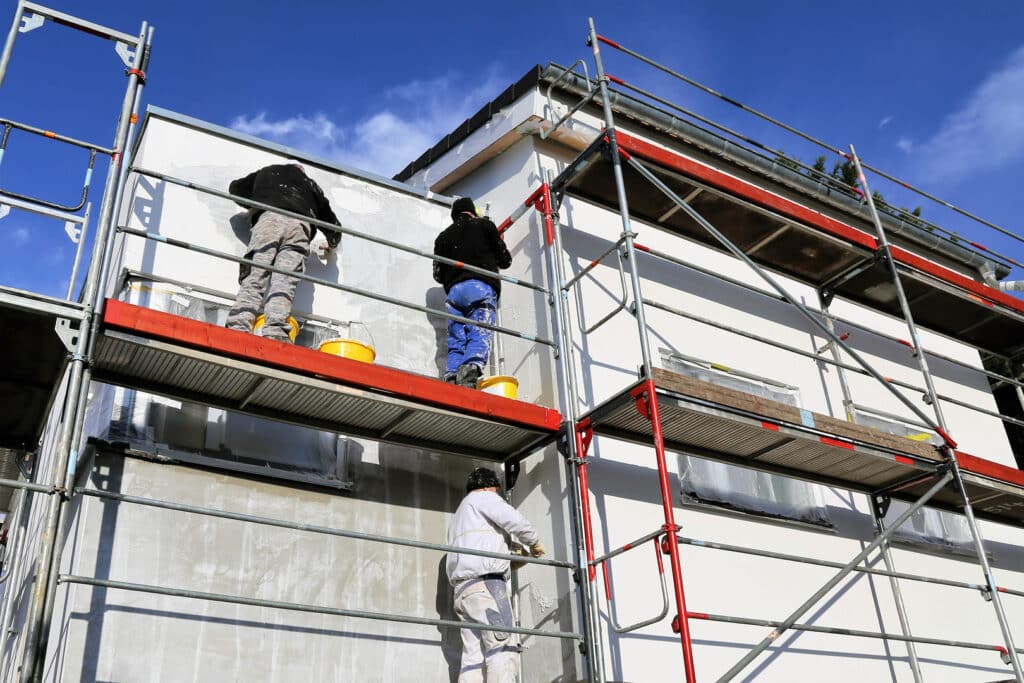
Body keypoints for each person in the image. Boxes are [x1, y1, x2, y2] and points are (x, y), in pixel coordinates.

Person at [446, 467, 545, 683]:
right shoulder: (485, 497)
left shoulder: (461, 515)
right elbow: (514, 520)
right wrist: (534, 542)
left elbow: (480, 550)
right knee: (502, 647)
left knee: (473, 656)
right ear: (491, 486)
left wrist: (511, 558)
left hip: (464, 592)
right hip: (487, 586)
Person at [225, 162, 340, 342]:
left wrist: (255, 202)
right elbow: (333, 225)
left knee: (256, 275)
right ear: (302, 173)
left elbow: (236, 189)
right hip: (300, 227)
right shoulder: (311, 185)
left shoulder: (267, 171)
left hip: (269, 219)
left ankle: (238, 326)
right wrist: (331, 246)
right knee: (285, 282)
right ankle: (275, 332)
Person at [433, 196, 512, 387]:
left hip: (454, 293)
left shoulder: (442, 238)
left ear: (454, 216)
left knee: (456, 336)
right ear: (472, 212)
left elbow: (437, 275)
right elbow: (505, 261)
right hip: (480, 285)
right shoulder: (485, 225)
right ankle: (471, 368)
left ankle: (451, 374)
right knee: (480, 328)